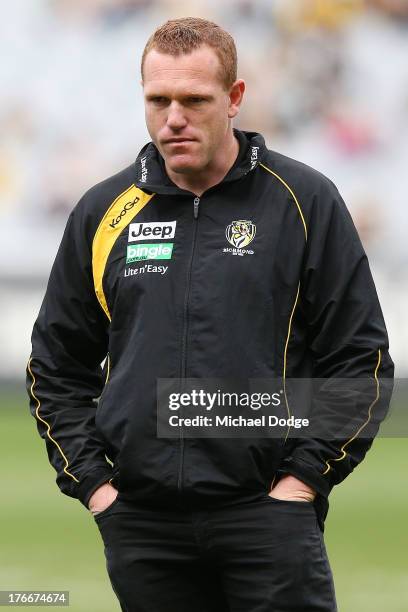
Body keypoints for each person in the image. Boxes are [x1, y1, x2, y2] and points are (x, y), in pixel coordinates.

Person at [26, 17, 394, 612]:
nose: (174, 117)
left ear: (235, 99)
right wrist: (98, 489)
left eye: (195, 100)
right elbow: (53, 367)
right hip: (143, 528)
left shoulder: (305, 202)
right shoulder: (103, 212)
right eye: (158, 100)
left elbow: (361, 361)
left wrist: (301, 483)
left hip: (267, 518)